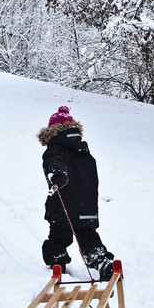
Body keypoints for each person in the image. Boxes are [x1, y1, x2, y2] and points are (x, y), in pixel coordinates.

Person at [37, 105, 115, 279]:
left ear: (52, 130)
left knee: (59, 234)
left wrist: (57, 175)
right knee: (88, 235)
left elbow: (54, 162)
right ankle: (101, 261)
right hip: (86, 204)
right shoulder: (83, 150)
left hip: (62, 202)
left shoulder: (55, 148)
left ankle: (57, 260)